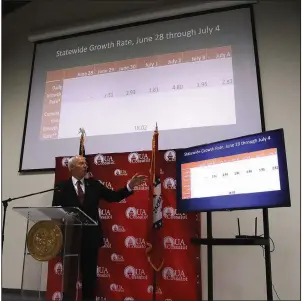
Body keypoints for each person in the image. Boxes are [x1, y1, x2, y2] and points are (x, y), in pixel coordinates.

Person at [52, 155, 147, 301]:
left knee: (89, 278)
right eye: (81, 163)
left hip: (90, 239)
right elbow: (56, 212)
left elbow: (113, 196)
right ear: (71, 168)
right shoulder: (61, 187)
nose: (85, 165)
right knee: (69, 278)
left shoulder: (94, 185)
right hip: (69, 240)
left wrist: (130, 186)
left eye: (85, 163)